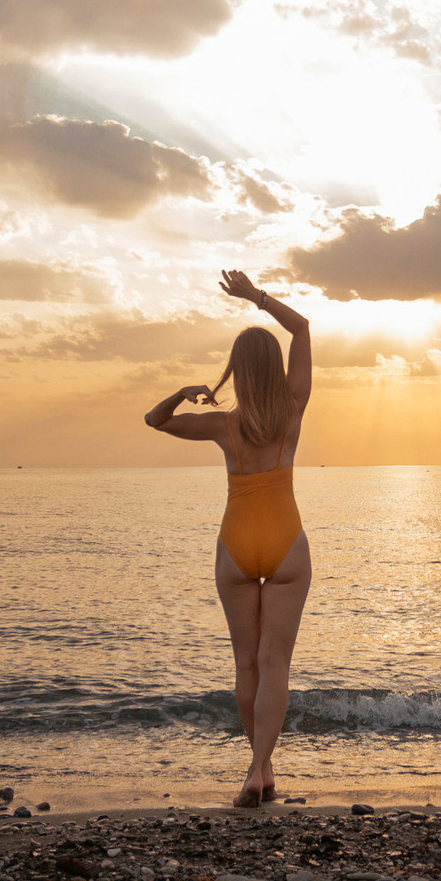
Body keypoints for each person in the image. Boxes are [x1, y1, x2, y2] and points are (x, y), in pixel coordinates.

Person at [144, 270, 313, 808]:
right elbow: (303, 329)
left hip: (236, 545)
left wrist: (181, 392)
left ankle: (258, 770)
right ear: (274, 369)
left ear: (236, 372)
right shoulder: (292, 409)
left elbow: (155, 420)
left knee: (245, 665)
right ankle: (259, 767)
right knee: (275, 664)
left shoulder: (223, 425)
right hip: (285, 541)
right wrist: (256, 297)